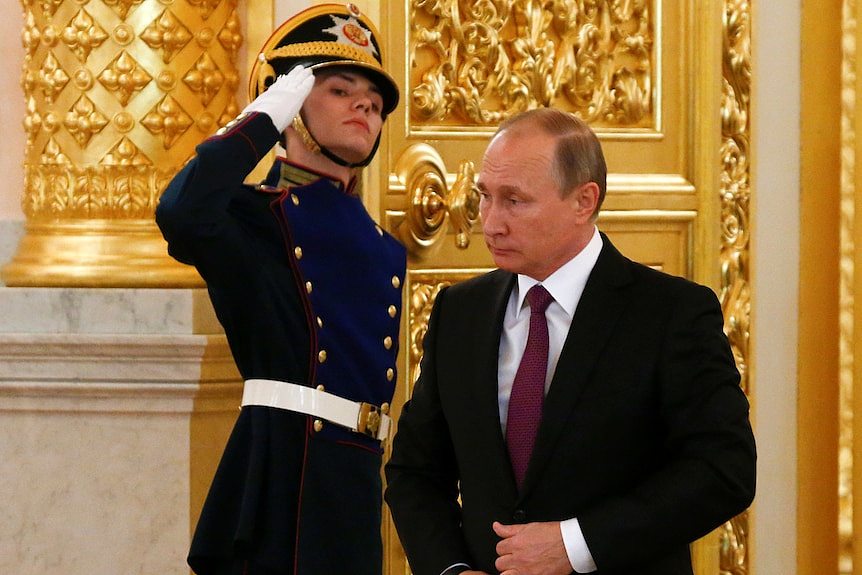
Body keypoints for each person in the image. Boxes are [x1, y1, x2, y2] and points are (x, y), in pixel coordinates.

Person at [384, 108, 756, 575]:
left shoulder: (671, 314)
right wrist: (451, 569)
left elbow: (724, 470)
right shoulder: (460, 312)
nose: (490, 222)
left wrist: (577, 544)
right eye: (485, 197)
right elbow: (415, 473)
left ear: (584, 201)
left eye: (514, 201)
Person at [156, 4, 405, 574]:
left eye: (374, 98)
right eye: (340, 90)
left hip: (354, 486)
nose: (365, 104)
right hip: (282, 484)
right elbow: (181, 210)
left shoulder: (385, 248)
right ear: (290, 103)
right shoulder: (257, 219)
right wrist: (260, 123)